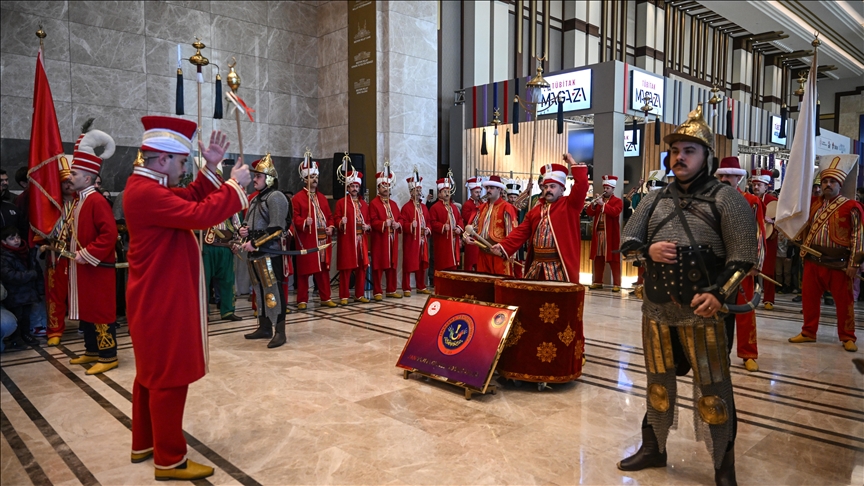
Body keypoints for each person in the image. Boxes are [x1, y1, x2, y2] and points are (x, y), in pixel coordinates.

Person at [617, 106, 758, 485]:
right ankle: (653, 448)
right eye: (675, 150)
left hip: (705, 312)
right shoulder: (653, 199)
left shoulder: (727, 200)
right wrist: (647, 251)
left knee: (714, 391)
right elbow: (627, 244)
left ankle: (723, 467)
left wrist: (720, 296)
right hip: (657, 310)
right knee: (658, 382)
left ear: (706, 156)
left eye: (689, 151)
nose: (679, 157)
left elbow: (744, 258)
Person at [124, 117, 251, 480]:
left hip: (155, 297)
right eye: (182, 162)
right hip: (161, 300)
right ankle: (169, 459)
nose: (185, 170)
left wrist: (211, 168)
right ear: (162, 159)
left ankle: (144, 442)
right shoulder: (146, 192)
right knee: (168, 377)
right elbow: (199, 214)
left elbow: (191, 196)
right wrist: (234, 187)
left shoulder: (145, 186)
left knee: (150, 375)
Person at [789, 155, 862, 352]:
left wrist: (854, 263)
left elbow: (858, 236)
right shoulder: (813, 203)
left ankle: (848, 336)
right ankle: (808, 332)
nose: (828, 185)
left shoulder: (852, 207)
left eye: (832, 181)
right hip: (813, 260)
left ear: (840, 184)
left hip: (839, 263)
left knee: (844, 302)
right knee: (809, 299)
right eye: (825, 181)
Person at [64, 129, 120, 374]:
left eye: (74, 173)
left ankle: (108, 355)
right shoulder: (79, 200)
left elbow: (109, 234)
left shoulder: (96, 200)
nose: (70, 177)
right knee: (87, 308)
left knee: (100, 309)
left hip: (97, 267)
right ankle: (92, 350)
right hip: (83, 268)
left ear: (87, 178)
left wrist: (87, 254)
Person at [492, 157, 589, 282]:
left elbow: (582, 185)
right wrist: (503, 246)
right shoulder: (536, 210)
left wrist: (572, 162)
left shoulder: (570, 205)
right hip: (537, 266)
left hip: (559, 268)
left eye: (552, 186)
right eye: (545, 187)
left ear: (562, 189)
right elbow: (521, 232)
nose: (548, 190)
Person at [715, 156, 766, 373]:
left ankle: (748, 353)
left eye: (730, 175)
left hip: (743, 264)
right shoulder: (713, 201)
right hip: (718, 265)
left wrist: (755, 263)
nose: (725, 179)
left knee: (745, 311)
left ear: (739, 178)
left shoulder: (751, 201)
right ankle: (718, 353)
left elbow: (759, 233)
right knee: (717, 310)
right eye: (722, 175)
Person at [238, 155, 291, 348]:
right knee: (259, 291)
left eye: (258, 176)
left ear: (269, 178)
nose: (254, 179)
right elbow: (248, 223)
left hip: (269, 253)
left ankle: (280, 331)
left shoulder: (276, 197)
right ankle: (265, 327)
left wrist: (255, 243)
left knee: (272, 292)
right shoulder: (255, 199)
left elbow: (276, 228)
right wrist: (242, 231)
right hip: (255, 254)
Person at [293, 160, 338, 310]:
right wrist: (304, 222)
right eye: (311, 177)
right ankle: (302, 300)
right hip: (307, 239)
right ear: (304, 179)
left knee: (323, 270)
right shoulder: (297, 198)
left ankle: (326, 297)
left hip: (323, 239)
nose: (315, 179)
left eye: (316, 176)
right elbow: (294, 218)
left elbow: (329, 216)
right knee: (304, 271)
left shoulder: (322, 198)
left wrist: (331, 227)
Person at [44, 177, 76, 346]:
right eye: (65, 182)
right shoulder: (51, 204)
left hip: (81, 254)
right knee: (55, 293)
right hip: (57, 254)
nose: (69, 185)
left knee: (85, 293)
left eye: (71, 180)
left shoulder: (84, 202)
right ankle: (55, 330)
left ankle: (89, 326)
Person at [466, 175, 518, 276]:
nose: (488, 190)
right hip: (482, 252)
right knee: (484, 282)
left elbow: (511, 233)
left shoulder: (507, 208)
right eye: (487, 188)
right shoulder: (482, 208)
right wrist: (466, 236)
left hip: (499, 254)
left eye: (492, 188)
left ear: (499, 189)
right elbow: (473, 227)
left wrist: (511, 253)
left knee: (500, 282)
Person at [0, 226, 42, 348]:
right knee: (17, 316)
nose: (16, 240)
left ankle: (26, 334)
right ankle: (16, 338)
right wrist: (31, 274)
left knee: (26, 316)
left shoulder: (25, 252)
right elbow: (9, 275)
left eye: (17, 237)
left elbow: (35, 268)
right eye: (11, 238)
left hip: (27, 292)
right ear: (4, 242)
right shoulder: (4, 257)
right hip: (14, 293)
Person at [333, 170, 371, 305]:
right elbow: (335, 219)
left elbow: (368, 220)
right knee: (346, 268)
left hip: (361, 240)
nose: (355, 189)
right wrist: (340, 222)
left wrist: (368, 226)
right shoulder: (341, 203)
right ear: (348, 188)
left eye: (356, 186)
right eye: (352, 186)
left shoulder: (364, 204)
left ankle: (359, 294)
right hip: (348, 239)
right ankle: (344, 295)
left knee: (361, 268)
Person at [586, 175, 623, 291]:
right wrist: (593, 205)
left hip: (611, 236)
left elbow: (615, 212)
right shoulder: (599, 201)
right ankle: (597, 281)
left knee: (614, 259)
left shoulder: (618, 201)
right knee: (598, 258)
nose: (605, 190)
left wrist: (603, 204)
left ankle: (617, 284)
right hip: (599, 234)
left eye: (608, 188)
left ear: (613, 189)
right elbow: (590, 213)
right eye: (604, 188)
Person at [369, 171, 402, 300]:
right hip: (380, 239)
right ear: (378, 188)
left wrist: (398, 224)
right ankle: (377, 291)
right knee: (378, 265)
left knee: (392, 265)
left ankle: (391, 289)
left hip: (392, 239)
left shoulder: (393, 204)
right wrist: (384, 223)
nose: (386, 188)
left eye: (388, 186)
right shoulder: (374, 203)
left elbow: (400, 218)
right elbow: (372, 221)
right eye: (383, 186)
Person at [400, 176, 433, 296]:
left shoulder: (423, 207)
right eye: (416, 190)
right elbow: (402, 224)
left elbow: (428, 221)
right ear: (411, 192)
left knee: (421, 263)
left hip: (423, 240)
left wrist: (428, 228)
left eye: (420, 190)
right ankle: (406, 288)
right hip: (411, 240)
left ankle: (421, 286)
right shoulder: (406, 207)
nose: (419, 192)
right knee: (409, 263)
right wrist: (410, 225)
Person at [751, 168, 778, 310]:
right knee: (749, 268)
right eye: (754, 184)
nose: (756, 187)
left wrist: (772, 222)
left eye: (759, 185)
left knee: (768, 270)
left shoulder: (773, 201)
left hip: (768, 239)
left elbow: (781, 221)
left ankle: (769, 298)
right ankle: (749, 295)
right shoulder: (747, 199)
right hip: (752, 239)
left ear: (766, 186)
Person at [430, 177, 464, 271]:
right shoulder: (434, 208)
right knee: (443, 265)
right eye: (444, 191)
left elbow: (460, 219)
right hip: (442, 241)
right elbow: (432, 222)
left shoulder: (454, 207)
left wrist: (459, 228)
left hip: (454, 241)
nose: (447, 193)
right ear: (439, 193)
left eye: (448, 191)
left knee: (453, 266)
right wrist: (442, 227)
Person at [461, 177, 483, 271]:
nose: (479, 194)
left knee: (480, 262)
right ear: (471, 192)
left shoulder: (482, 203)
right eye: (476, 192)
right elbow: (468, 219)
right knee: (470, 262)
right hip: (471, 236)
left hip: (480, 236)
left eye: (479, 192)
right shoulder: (467, 204)